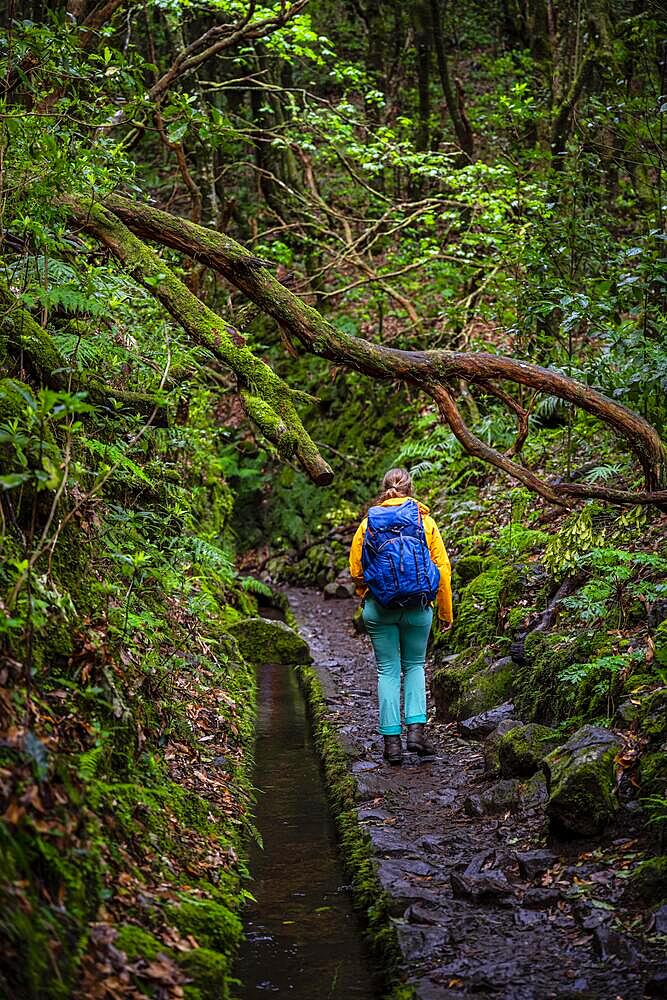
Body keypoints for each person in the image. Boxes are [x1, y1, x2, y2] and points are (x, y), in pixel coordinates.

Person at [348, 468, 453, 765]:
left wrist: (373, 589)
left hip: (379, 609)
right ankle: (417, 734)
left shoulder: (369, 524)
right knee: (416, 666)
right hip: (419, 608)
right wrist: (445, 612)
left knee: (388, 671)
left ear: (384, 490)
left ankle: (392, 744)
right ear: (410, 489)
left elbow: (356, 571)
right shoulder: (426, 522)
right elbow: (442, 570)